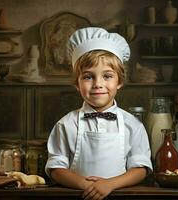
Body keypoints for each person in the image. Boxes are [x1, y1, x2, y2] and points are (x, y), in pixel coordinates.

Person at [45, 27, 152, 200]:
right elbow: (56, 169)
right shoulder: (66, 124)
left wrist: (110, 184)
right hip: (80, 196)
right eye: (88, 77)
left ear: (119, 82)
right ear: (76, 84)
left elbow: (140, 169)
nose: (97, 84)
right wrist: (87, 186)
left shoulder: (133, 125)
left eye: (107, 76)